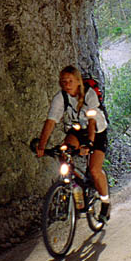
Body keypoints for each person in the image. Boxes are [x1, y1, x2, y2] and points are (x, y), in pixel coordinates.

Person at [36, 65, 111, 221]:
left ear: (78, 82)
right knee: (64, 153)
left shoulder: (89, 95)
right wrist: (42, 146)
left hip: (96, 132)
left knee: (95, 170)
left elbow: (91, 122)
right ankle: (75, 189)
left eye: (70, 81)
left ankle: (105, 203)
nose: (67, 84)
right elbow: (51, 122)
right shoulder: (61, 97)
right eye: (63, 81)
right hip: (76, 130)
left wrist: (89, 143)